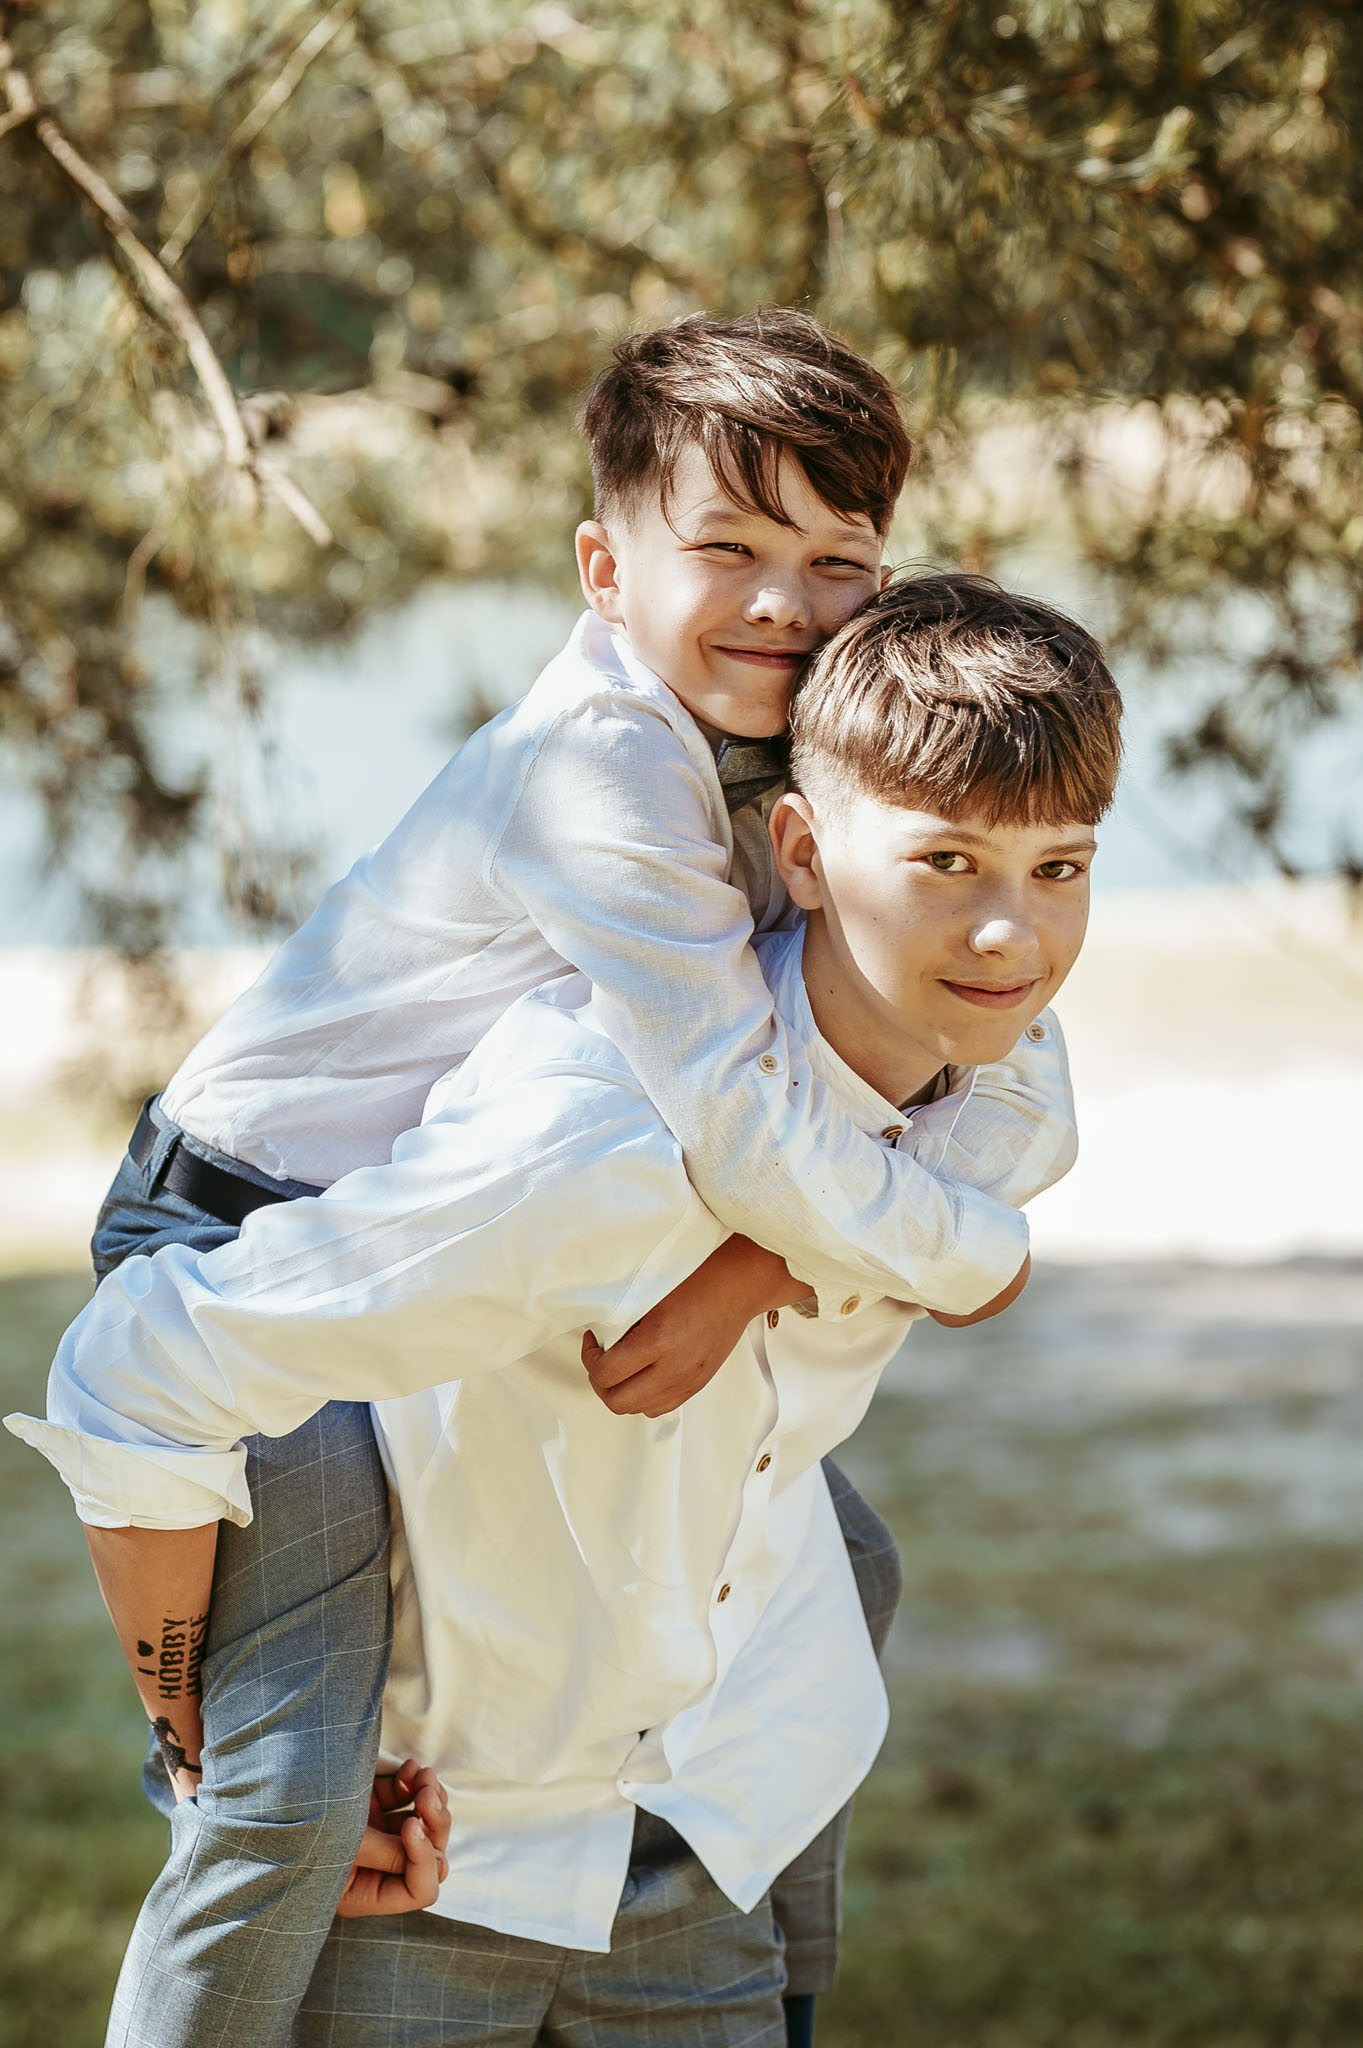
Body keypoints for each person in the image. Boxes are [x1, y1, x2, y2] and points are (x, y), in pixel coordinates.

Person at [9, 312, 1072, 2044]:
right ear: (602, 570)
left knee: (839, 1573)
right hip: (246, 1219)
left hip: (440, 1210)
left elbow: (1010, 1068)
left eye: (838, 562)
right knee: (285, 1785)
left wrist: (765, 1271)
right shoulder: (603, 765)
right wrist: (959, 1257)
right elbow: (737, 1121)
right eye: (727, 548)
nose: (785, 604)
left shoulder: (808, 745)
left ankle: (774, 1976)